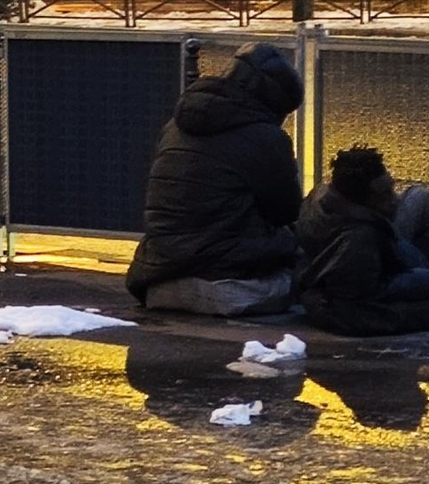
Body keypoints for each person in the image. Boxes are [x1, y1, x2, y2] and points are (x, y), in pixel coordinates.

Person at [126, 42, 304, 316]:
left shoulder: (174, 126)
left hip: (157, 278)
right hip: (229, 284)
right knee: (303, 248)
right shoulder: (266, 137)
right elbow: (287, 211)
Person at [295, 145, 429, 336]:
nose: (394, 200)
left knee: (421, 197)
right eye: (385, 195)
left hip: (383, 249)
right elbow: (370, 298)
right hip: (386, 277)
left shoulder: (326, 197)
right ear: (363, 200)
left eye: (391, 190)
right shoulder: (357, 240)